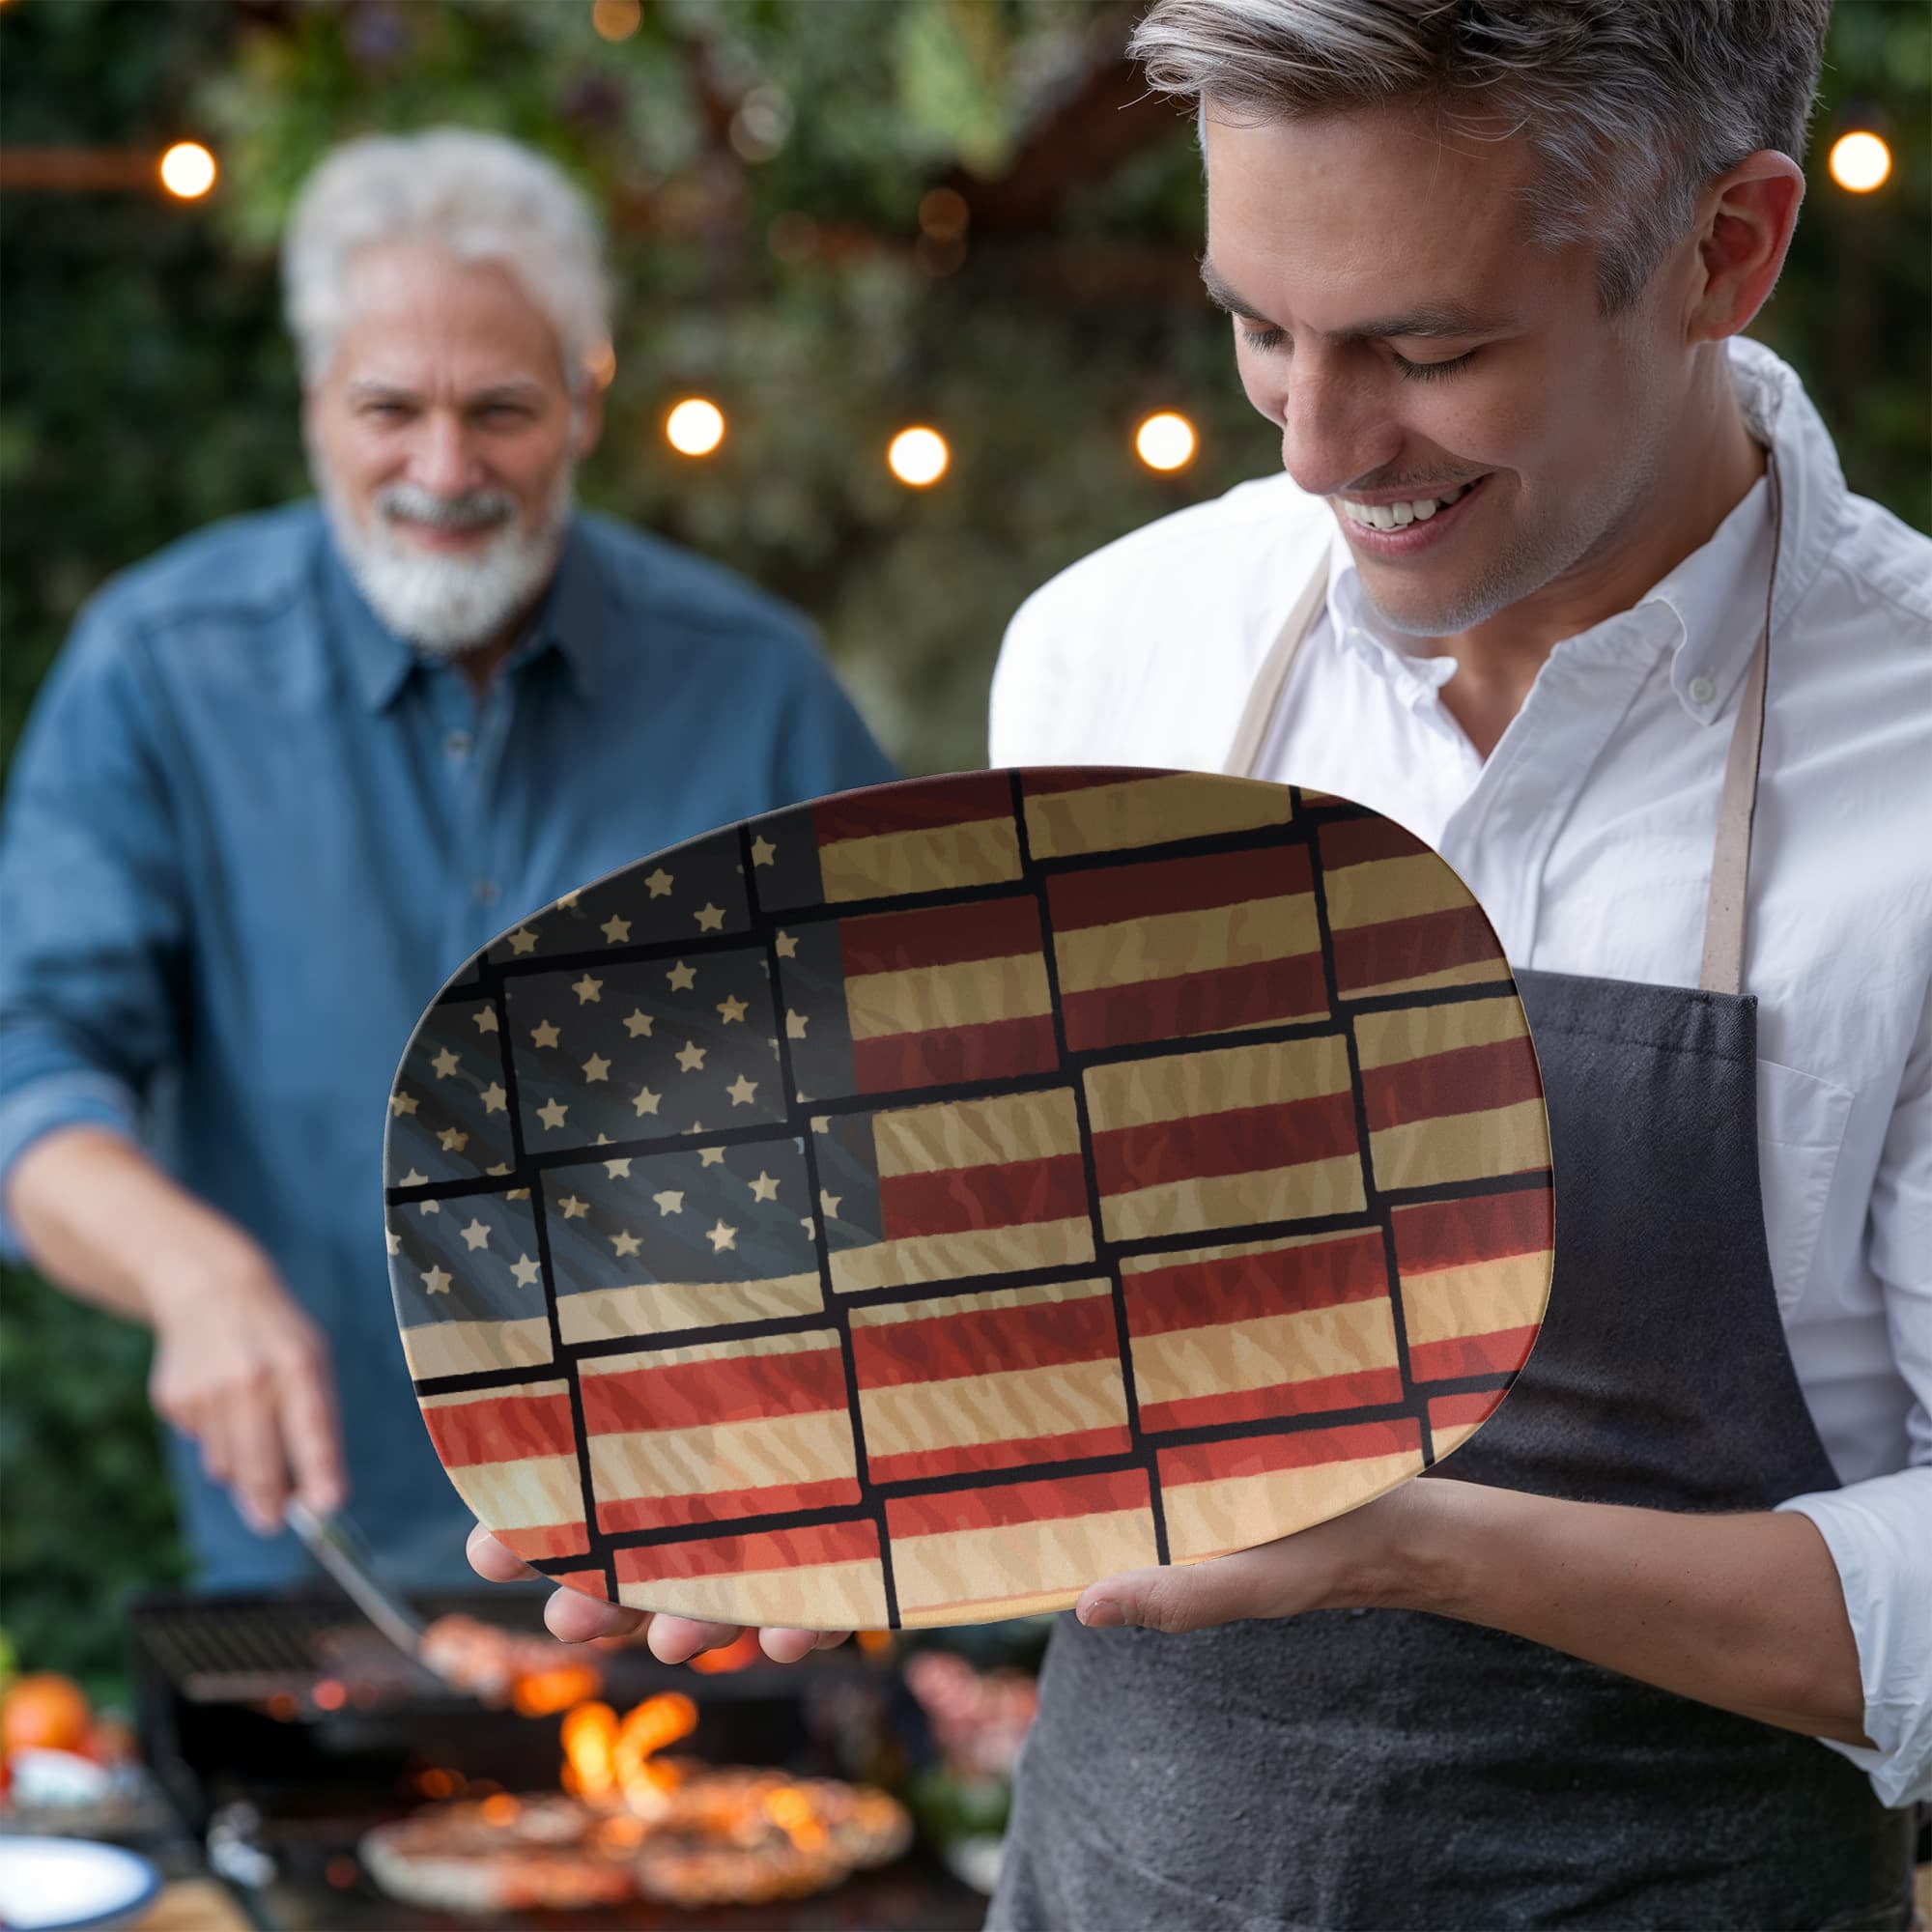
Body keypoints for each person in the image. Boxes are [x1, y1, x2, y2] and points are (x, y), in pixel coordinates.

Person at [470, 1, 1932, 1923]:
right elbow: (1021, 1306)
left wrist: (1407, 1544)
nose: (1320, 447)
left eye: (1427, 348)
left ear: (1726, 250)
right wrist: (838, 1456)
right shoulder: (1122, 648)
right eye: (1257, 328)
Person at [0, 128, 895, 1595]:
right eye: (389, 408)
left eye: (500, 410)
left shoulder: (758, 688)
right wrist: (191, 1272)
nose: (443, 467)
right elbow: (30, 1074)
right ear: (314, 405)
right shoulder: (158, 669)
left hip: (701, 1555)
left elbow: (917, 1081)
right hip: (316, 1572)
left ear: (586, 401)